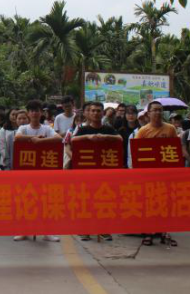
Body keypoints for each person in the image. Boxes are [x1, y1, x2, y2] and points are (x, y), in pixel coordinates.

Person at [13, 100, 62, 242]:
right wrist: (33, 138)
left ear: (41, 113)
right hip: (26, 171)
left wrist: (42, 141)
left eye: (37, 110)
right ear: (28, 113)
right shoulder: (23, 128)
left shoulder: (46, 129)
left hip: (43, 170)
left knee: (45, 201)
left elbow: (59, 138)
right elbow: (17, 137)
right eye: (32, 110)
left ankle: (47, 232)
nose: (34, 113)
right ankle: (24, 231)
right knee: (25, 200)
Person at [73, 101, 122, 242]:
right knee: (86, 201)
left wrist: (105, 137)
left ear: (103, 113)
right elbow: (73, 140)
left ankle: (103, 229)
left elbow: (119, 139)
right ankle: (85, 230)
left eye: (99, 111)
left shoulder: (108, 129)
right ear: (88, 113)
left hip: (104, 171)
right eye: (93, 110)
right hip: (86, 171)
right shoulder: (83, 129)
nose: (95, 113)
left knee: (104, 200)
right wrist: (87, 137)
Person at [134, 100, 178, 246]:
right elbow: (137, 153)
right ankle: (148, 233)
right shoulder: (143, 131)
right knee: (149, 203)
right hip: (149, 175)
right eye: (155, 110)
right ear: (148, 113)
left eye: (160, 110)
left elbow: (175, 150)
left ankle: (166, 232)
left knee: (167, 203)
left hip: (166, 174)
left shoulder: (170, 129)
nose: (158, 112)